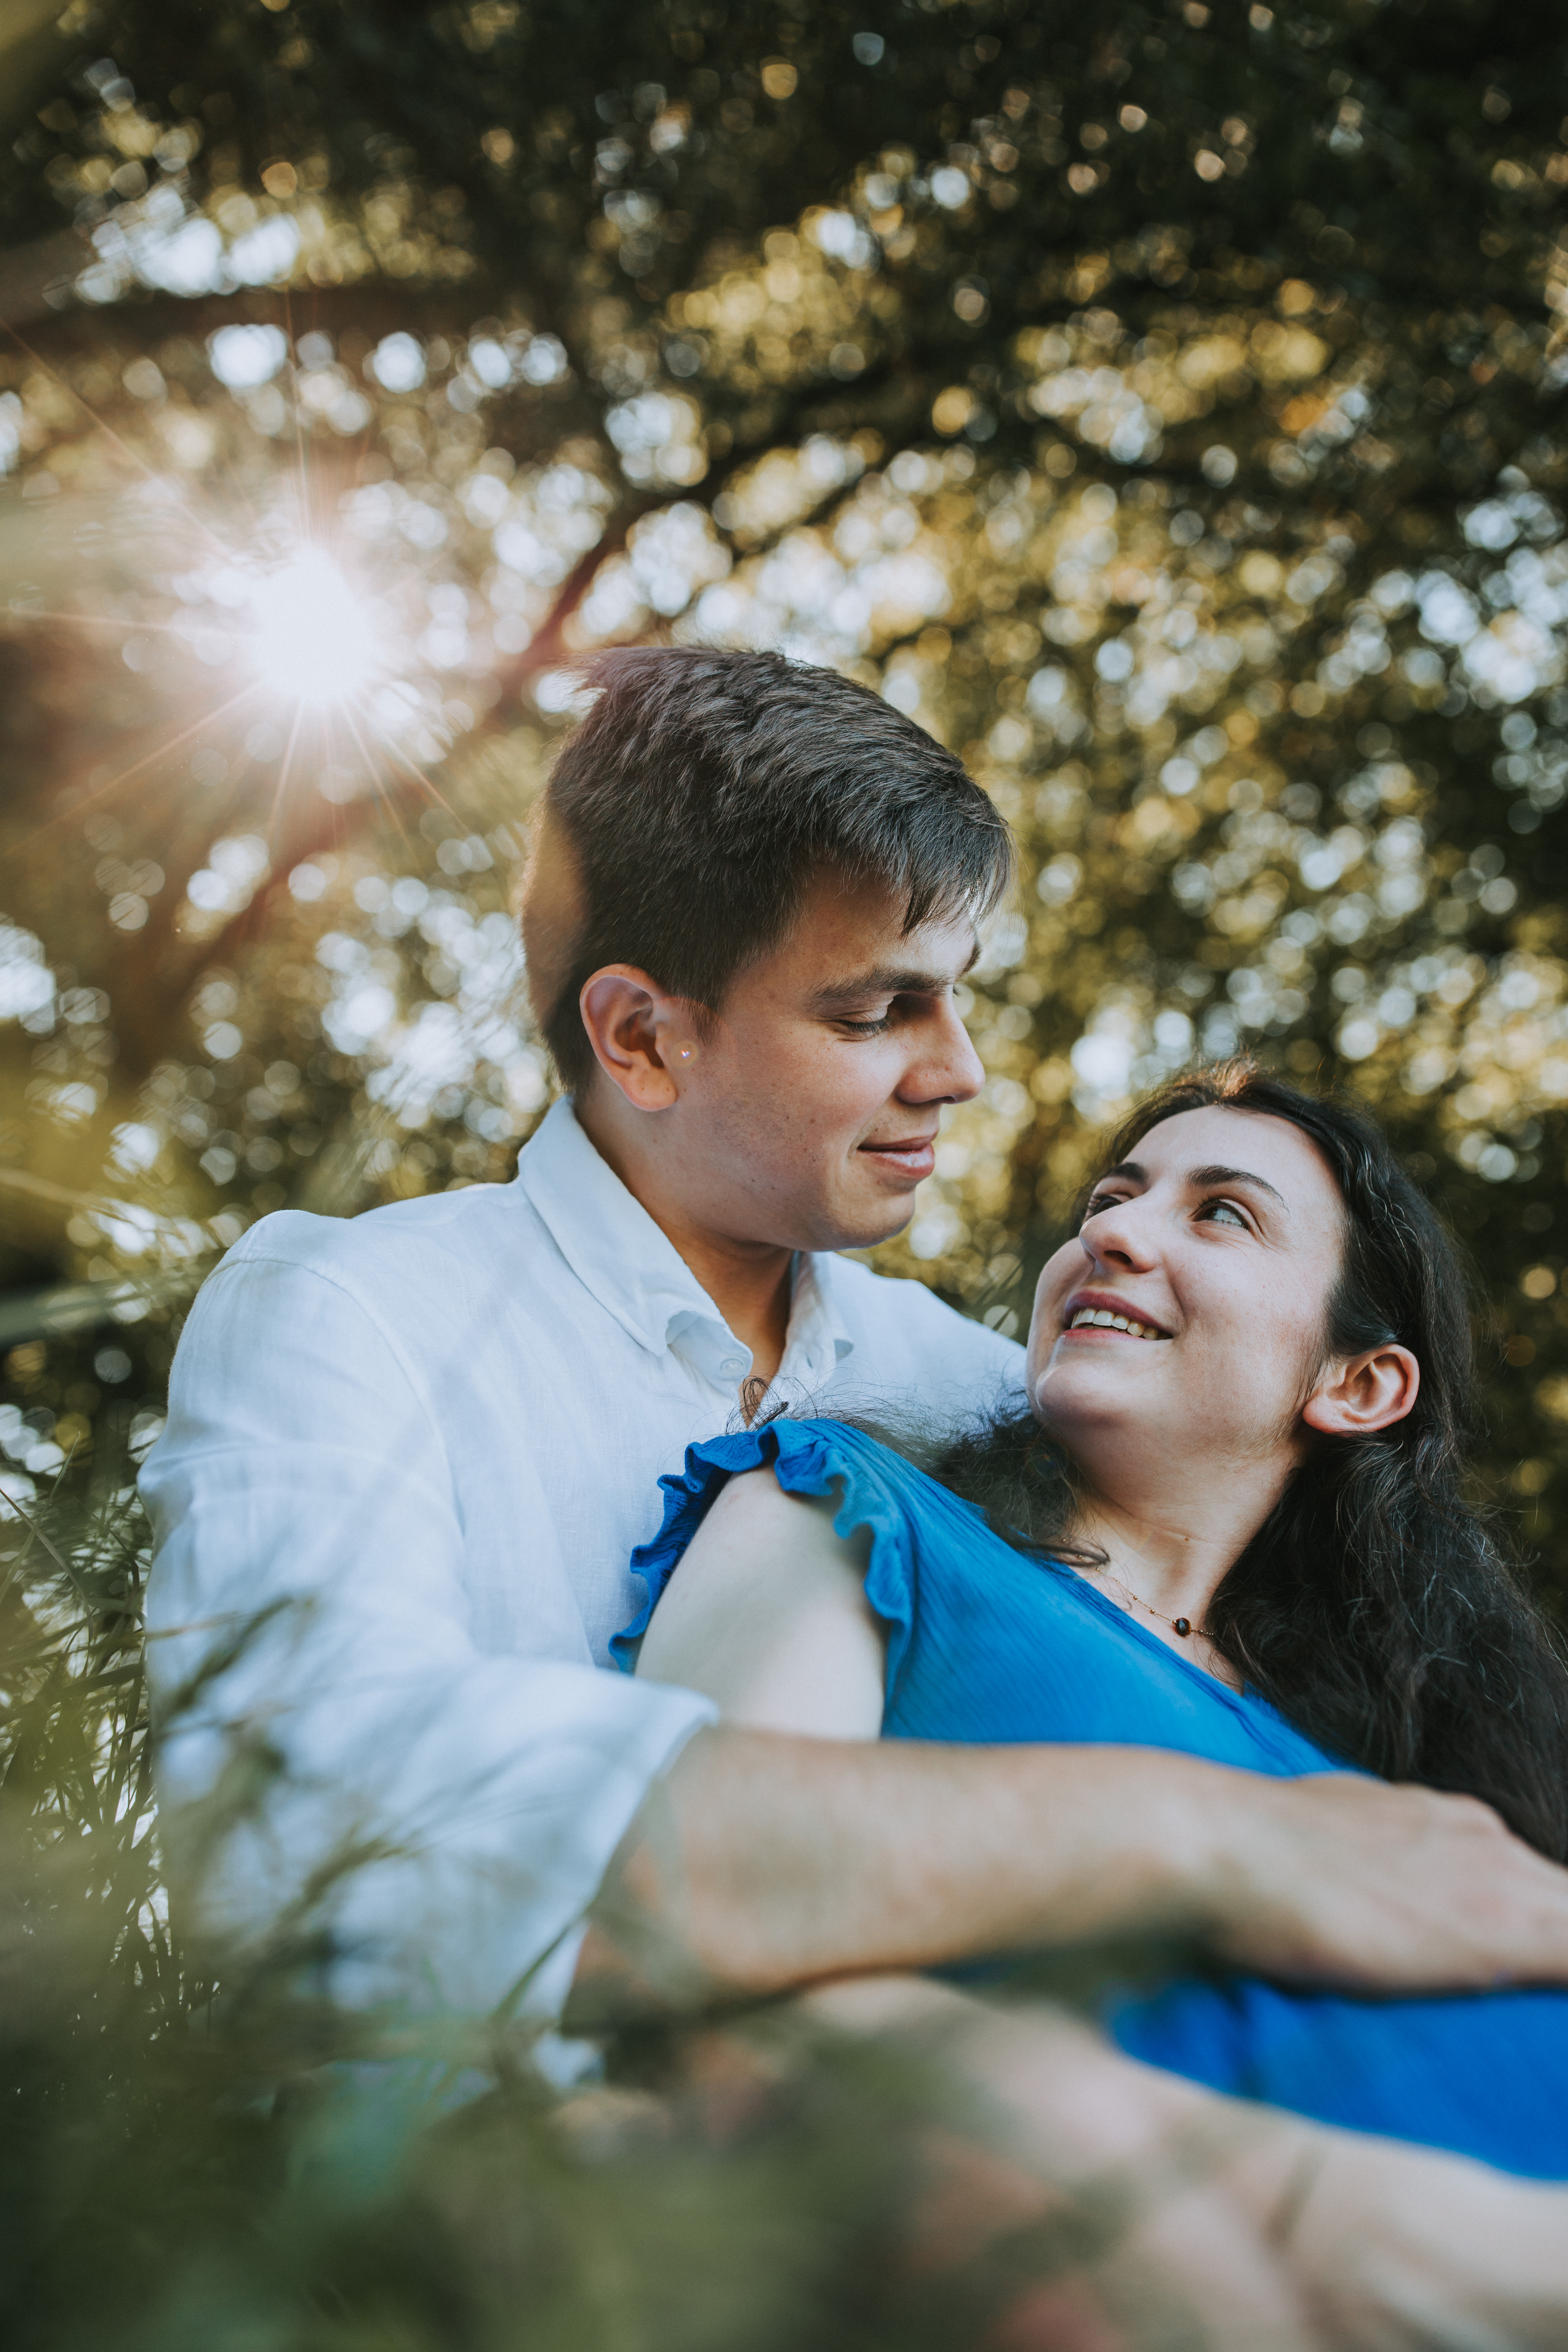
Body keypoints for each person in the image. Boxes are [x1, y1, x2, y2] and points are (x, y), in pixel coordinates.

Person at [140, 650, 1568, 2344]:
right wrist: (1201, 1839)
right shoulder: (354, 1312)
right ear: (645, 1037)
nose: (957, 1070)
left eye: (957, 995)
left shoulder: (966, 1385)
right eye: (877, 1007)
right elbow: (316, 1840)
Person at [623, 1061, 1568, 2318]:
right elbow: (671, 1903)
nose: (1110, 1231)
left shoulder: (1385, 1757)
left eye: (1219, 1213)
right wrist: (1340, 2212)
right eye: (1110, 1201)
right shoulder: (859, 1506)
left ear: (1358, 1385)